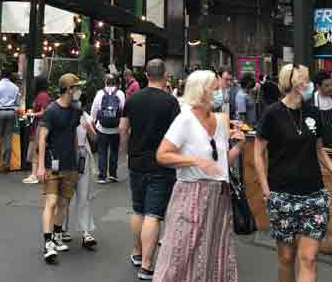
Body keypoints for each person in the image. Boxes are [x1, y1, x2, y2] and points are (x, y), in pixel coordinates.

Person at [254, 64, 332, 282]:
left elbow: (319, 148)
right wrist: (266, 190)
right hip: (282, 194)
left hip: (313, 195)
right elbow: (258, 153)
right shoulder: (272, 114)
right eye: (305, 80)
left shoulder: (312, 112)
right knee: (286, 258)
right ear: (294, 84)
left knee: (309, 258)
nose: (309, 84)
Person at [154, 70, 246, 282]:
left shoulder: (218, 120)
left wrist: (239, 146)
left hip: (218, 198)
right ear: (201, 92)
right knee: (180, 253)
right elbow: (162, 155)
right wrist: (194, 160)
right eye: (215, 88)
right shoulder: (185, 120)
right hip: (191, 194)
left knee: (214, 256)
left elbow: (221, 166)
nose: (219, 92)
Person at [119, 59, 180, 281]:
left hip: (136, 161)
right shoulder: (170, 102)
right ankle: (146, 265)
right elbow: (177, 134)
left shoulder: (132, 98)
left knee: (138, 209)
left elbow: (123, 129)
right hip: (161, 163)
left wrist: (126, 154)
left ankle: (137, 252)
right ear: (164, 75)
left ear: (146, 74)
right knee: (153, 214)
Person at [37, 73, 85, 264]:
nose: (78, 91)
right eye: (76, 87)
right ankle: (48, 242)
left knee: (63, 203)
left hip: (70, 164)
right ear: (68, 89)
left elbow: (73, 133)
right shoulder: (51, 110)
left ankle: (57, 235)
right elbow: (42, 137)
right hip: (52, 163)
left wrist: (78, 157)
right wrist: (40, 166)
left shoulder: (75, 110)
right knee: (51, 201)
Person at [66, 106, 98, 250]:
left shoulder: (84, 115)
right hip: (66, 156)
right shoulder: (61, 112)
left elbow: (94, 137)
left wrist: (89, 128)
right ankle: (61, 229)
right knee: (63, 196)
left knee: (84, 195)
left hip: (82, 155)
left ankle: (86, 231)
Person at [91, 74, 125, 183]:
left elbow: (94, 110)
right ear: (116, 82)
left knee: (102, 152)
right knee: (114, 151)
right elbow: (123, 109)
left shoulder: (100, 93)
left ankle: (102, 176)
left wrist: (93, 121)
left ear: (105, 82)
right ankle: (113, 174)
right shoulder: (120, 93)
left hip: (102, 128)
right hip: (116, 128)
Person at [24, 76, 51, 185]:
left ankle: (35, 174)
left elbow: (44, 112)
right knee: (36, 149)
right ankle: (34, 173)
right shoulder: (42, 95)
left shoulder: (42, 96)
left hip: (39, 126)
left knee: (36, 149)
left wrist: (32, 114)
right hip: (38, 125)